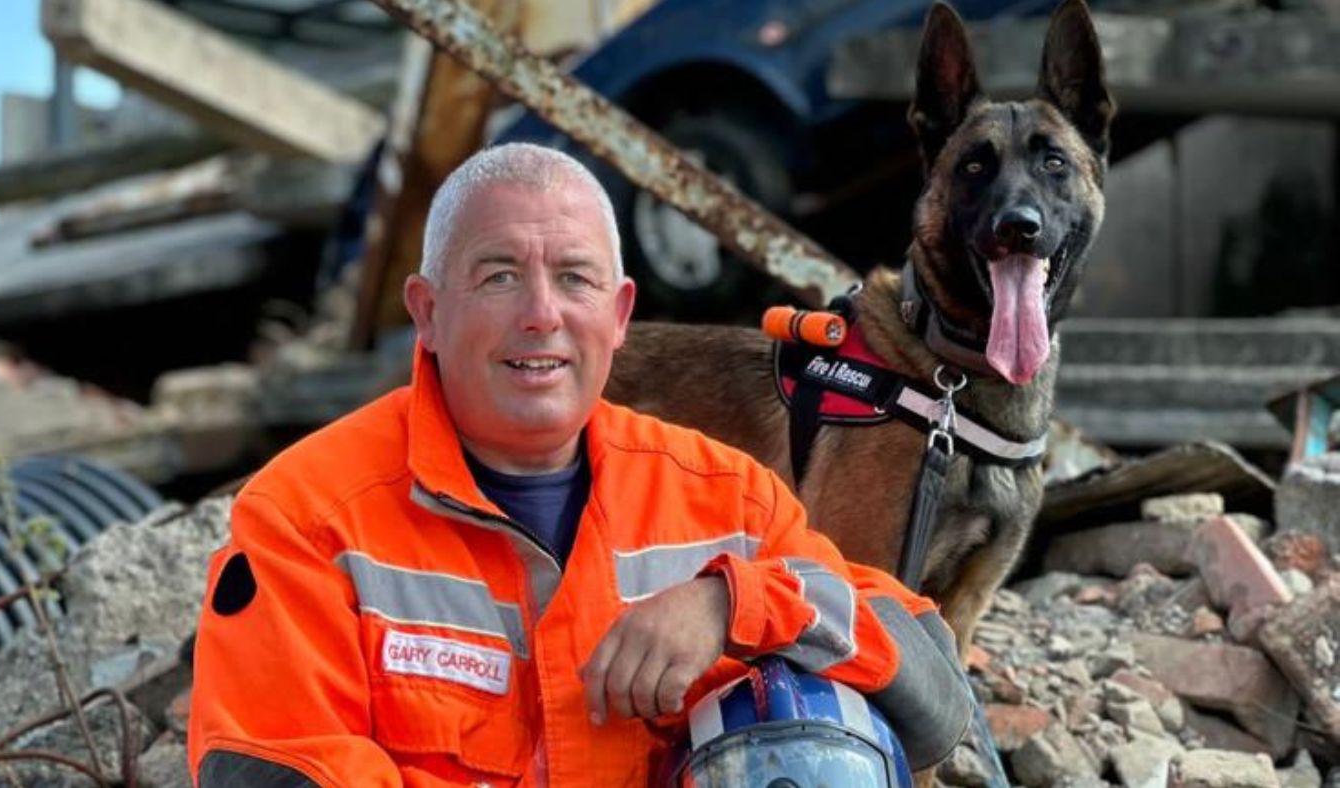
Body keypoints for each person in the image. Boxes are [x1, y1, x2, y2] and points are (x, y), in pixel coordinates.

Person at [187, 143, 971, 787]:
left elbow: (934, 696)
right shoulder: (308, 514)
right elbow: (271, 770)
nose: (541, 314)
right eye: (499, 276)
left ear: (620, 315)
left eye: (575, 278)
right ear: (427, 312)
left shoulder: (724, 500)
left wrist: (736, 604)